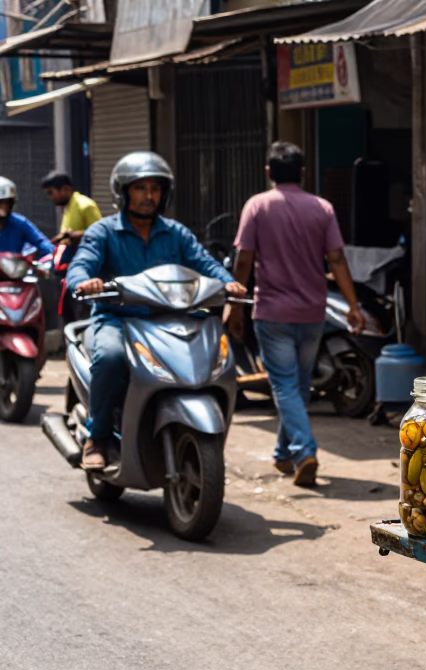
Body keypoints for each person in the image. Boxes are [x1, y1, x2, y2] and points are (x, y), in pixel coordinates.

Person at [66, 152, 246, 470]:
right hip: (117, 319)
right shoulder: (103, 232)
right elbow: (80, 266)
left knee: (213, 354)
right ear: (123, 192)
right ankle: (99, 437)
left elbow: (204, 263)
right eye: (140, 188)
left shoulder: (176, 232)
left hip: (170, 320)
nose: (149, 196)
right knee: (109, 358)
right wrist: (85, 282)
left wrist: (228, 283)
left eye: (155, 189)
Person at [224, 141, 363, 487]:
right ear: (302, 172)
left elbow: (243, 260)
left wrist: (233, 304)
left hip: (272, 313)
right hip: (313, 311)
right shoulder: (322, 208)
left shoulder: (257, 206)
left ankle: (304, 451)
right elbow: (337, 259)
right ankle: (283, 454)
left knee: (285, 386)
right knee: (298, 384)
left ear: (269, 172)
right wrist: (354, 306)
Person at [42, 170, 102, 322]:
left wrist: (74, 236)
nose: (50, 198)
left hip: (84, 273)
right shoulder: (69, 207)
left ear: (65, 189)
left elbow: (100, 235)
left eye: (51, 193)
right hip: (67, 273)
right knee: (68, 315)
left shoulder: (85, 205)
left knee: (80, 316)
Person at [0, 176, 55, 259]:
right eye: (1, 202)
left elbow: (41, 242)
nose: (4, 207)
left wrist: (52, 253)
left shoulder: (19, 223)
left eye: (8, 202)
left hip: (13, 270)